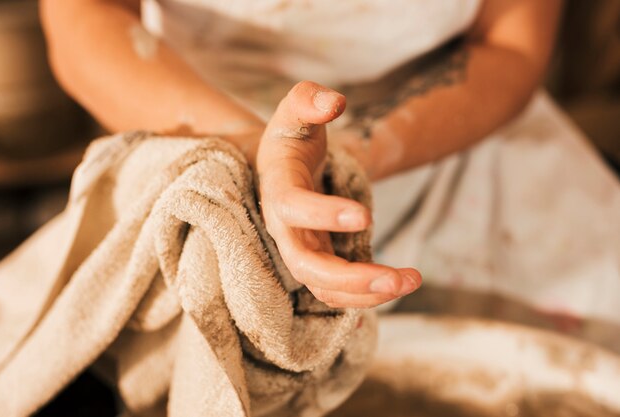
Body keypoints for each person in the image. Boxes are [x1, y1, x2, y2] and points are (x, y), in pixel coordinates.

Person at [40, 0, 620, 331]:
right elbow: (82, 23)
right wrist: (255, 149)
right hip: (199, 135)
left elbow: (512, 45)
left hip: (457, 138)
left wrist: (344, 157)